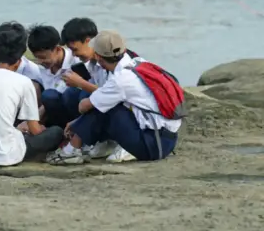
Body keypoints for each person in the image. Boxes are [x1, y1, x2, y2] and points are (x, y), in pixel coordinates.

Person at [46, 30, 181, 166]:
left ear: (98, 56)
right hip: (166, 139)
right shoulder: (138, 62)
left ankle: (71, 151)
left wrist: (76, 121)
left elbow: (84, 106)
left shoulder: (120, 80)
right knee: (104, 102)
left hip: (152, 145)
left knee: (101, 106)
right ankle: (97, 145)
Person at [0, 27, 63, 166]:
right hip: (7, 155)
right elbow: (34, 129)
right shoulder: (25, 82)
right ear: (19, 61)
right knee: (56, 132)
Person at [60, 17, 138, 162]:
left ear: (88, 41)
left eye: (75, 49)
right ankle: (104, 140)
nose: (74, 55)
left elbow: (114, 93)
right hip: (112, 104)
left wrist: (81, 83)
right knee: (77, 95)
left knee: (87, 96)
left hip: (132, 111)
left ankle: (127, 142)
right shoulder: (93, 64)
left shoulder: (119, 61)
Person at [27, 24, 86, 128]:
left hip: (76, 108)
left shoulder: (76, 61)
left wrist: (34, 120)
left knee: (67, 94)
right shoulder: (43, 67)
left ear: (57, 49)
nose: (40, 62)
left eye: (43, 57)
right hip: (57, 112)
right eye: (36, 58)